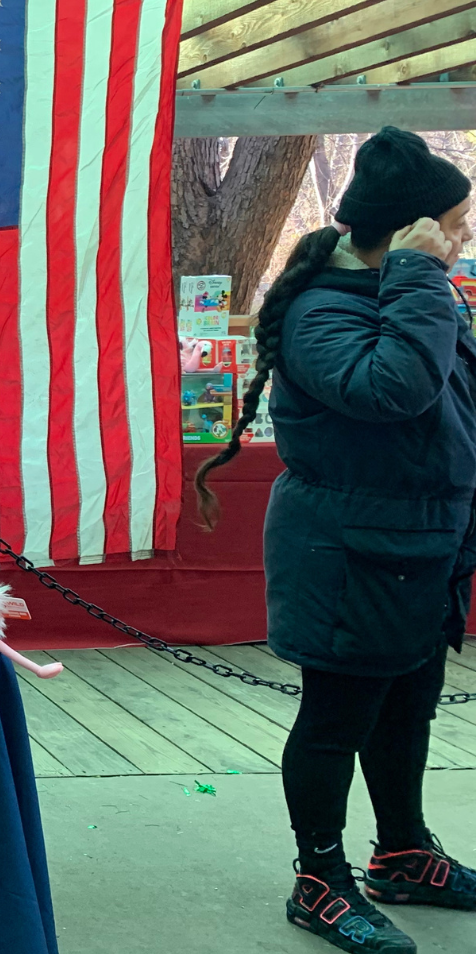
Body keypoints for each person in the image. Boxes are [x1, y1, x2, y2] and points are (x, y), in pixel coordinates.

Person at [196, 126, 476, 953]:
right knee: (337, 718)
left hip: (422, 545)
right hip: (350, 552)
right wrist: (421, 275)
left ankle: (402, 854)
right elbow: (392, 391)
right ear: (413, 229)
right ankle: (318, 879)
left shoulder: (406, 293)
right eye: (454, 225)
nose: (463, 237)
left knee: (408, 705)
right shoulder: (329, 308)